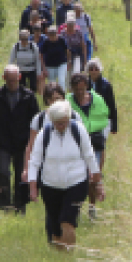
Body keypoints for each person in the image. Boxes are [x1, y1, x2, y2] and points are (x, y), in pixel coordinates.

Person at [28, 100, 103, 249]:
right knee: (55, 224)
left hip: (76, 183)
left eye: (64, 122)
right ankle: (59, 257)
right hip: (50, 185)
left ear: (69, 119)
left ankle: (68, 256)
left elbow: (89, 156)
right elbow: (35, 160)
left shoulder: (78, 130)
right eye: (57, 123)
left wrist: (98, 182)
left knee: (67, 221)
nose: (61, 126)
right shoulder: (44, 134)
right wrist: (33, 186)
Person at [0, 65, 40, 213]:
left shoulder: (28, 96)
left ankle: (20, 205)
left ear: (19, 78)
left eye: (14, 80)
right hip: (2, 142)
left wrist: (35, 145)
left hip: (22, 143)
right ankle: (4, 206)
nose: (12, 83)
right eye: (9, 80)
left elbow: (36, 122)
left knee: (21, 175)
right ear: (4, 79)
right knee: (3, 173)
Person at [20, 83, 80, 183]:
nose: (55, 102)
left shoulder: (74, 116)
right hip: (48, 168)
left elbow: (83, 143)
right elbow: (31, 146)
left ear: (63, 98)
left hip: (71, 166)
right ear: (47, 101)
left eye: (58, 98)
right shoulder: (39, 119)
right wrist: (27, 169)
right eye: (51, 99)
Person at [86, 58, 117, 170]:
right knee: (89, 144)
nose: (94, 71)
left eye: (96, 69)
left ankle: (99, 170)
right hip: (89, 119)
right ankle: (91, 168)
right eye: (91, 69)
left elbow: (112, 105)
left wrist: (114, 125)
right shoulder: (84, 84)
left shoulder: (106, 85)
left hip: (104, 119)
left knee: (100, 143)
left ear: (100, 70)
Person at [40, 23, 70, 91]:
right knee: (51, 83)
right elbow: (41, 55)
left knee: (61, 80)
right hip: (49, 65)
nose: (52, 37)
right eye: (51, 35)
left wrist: (68, 62)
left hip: (61, 64)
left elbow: (67, 51)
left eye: (54, 35)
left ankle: (63, 97)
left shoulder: (61, 40)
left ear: (56, 34)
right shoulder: (46, 42)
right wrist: (44, 68)